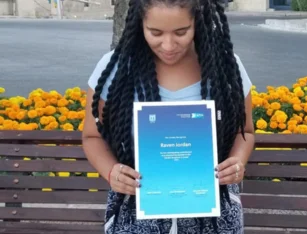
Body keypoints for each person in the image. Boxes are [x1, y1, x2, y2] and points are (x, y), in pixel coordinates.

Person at [82, 0, 255, 233]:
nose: (168, 45)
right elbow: (92, 137)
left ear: (198, 22)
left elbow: (245, 132)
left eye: (181, 32)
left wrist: (237, 161)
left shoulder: (226, 67)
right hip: (136, 214)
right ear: (140, 23)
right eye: (155, 32)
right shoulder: (116, 68)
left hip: (213, 217)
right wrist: (111, 171)